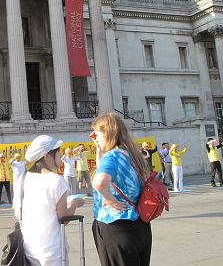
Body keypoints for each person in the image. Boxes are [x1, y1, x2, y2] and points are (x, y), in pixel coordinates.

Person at [90, 113, 152, 266]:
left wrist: (109, 198)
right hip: (140, 225)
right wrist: (99, 149)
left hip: (115, 224)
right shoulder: (131, 153)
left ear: (107, 132)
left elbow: (100, 181)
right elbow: (104, 171)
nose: (95, 138)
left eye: (97, 134)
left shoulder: (111, 157)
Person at [14, 135, 85, 266]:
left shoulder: (23, 178)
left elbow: (18, 214)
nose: (60, 155)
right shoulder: (56, 180)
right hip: (52, 251)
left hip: (28, 247)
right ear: (47, 156)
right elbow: (64, 218)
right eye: (58, 152)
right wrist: (76, 203)